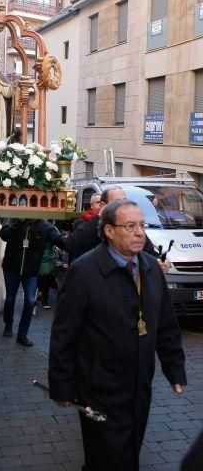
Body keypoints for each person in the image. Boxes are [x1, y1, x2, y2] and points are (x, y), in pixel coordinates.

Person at [49, 200, 187, 471]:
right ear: (109, 231)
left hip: (139, 384)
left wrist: (175, 369)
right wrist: (62, 386)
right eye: (131, 226)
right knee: (106, 457)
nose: (140, 233)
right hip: (98, 387)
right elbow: (64, 334)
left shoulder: (150, 268)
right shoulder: (84, 271)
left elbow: (167, 325)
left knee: (130, 449)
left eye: (142, 226)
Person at [0, 218, 64, 347]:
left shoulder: (45, 226)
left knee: (30, 301)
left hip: (31, 271)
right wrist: (18, 223)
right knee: (10, 299)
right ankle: (8, 324)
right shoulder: (13, 219)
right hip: (12, 268)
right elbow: (3, 234)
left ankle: (22, 334)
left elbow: (61, 241)